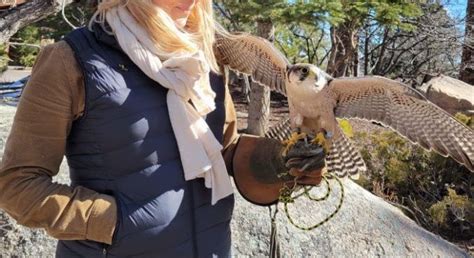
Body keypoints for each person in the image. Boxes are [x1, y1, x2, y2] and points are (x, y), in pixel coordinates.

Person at [0, 0, 325, 257]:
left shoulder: (205, 60)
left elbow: (224, 151)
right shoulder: (71, 60)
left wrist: (278, 163)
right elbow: (18, 186)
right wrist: (115, 222)